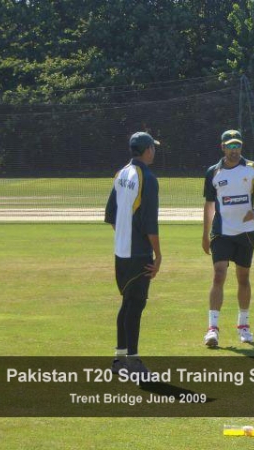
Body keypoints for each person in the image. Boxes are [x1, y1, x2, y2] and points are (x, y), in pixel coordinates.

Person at [202, 130, 254, 347]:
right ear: (222, 147)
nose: (234, 150)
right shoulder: (213, 172)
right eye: (230, 147)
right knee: (219, 275)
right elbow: (209, 205)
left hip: (247, 233)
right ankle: (212, 329)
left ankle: (244, 326)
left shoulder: (252, 168)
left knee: (243, 278)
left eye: (237, 146)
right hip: (221, 232)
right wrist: (205, 234)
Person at [105, 132, 162, 374]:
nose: (155, 151)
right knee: (135, 306)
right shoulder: (147, 177)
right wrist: (158, 256)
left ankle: (119, 360)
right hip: (138, 253)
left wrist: (124, 237)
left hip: (121, 252)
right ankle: (133, 361)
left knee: (127, 303)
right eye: (153, 147)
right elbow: (150, 222)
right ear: (147, 149)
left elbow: (111, 215)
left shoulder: (121, 173)